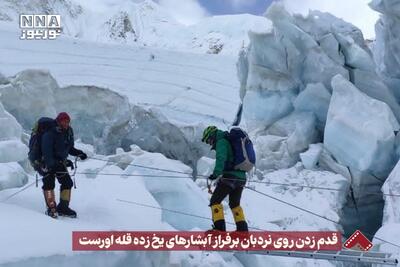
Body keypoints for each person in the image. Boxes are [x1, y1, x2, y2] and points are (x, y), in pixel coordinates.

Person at [202, 126, 248, 232]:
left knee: (215, 201)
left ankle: (219, 230)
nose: (209, 142)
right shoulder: (228, 141)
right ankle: (243, 231)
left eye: (208, 139)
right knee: (234, 204)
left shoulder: (221, 141)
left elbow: (221, 157)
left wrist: (216, 173)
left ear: (212, 135)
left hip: (230, 177)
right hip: (241, 178)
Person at [41, 112, 87, 218]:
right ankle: (51, 208)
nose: (66, 123)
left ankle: (63, 207)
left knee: (67, 183)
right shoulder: (50, 133)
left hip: (59, 163)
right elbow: (46, 151)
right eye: (64, 121)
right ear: (58, 121)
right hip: (46, 162)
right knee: (49, 184)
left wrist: (79, 153)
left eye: (67, 121)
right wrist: (51, 165)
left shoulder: (68, 132)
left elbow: (69, 148)